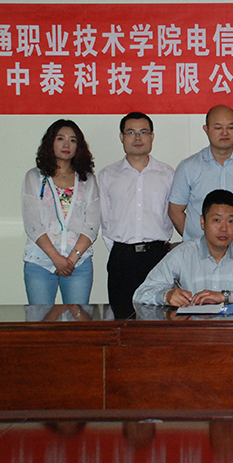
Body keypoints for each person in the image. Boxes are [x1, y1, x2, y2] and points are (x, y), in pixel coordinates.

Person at [134, 189, 233, 306]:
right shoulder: (183, 253)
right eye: (216, 220)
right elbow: (140, 294)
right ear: (203, 222)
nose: (224, 228)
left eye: (231, 221)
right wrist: (166, 296)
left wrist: (226, 297)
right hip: (194, 330)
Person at [98, 112, 175, 319]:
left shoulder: (167, 174)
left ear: (152, 136)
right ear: (121, 137)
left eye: (143, 132)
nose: (138, 138)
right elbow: (105, 219)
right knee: (123, 320)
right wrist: (121, 250)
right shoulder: (108, 175)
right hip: (122, 258)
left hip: (157, 256)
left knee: (159, 319)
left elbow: (170, 214)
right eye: (131, 132)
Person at [169, 105, 233, 245]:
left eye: (230, 127)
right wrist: (196, 242)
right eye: (218, 128)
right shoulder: (188, 167)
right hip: (199, 250)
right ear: (206, 129)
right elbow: (175, 211)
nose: (225, 133)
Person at [21, 119, 100, 305]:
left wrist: (71, 260)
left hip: (78, 264)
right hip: (40, 261)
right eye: (60, 138)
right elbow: (32, 223)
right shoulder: (35, 176)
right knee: (40, 320)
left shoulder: (87, 180)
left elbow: (92, 225)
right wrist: (56, 258)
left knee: (78, 320)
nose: (66, 145)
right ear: (51, 142)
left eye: (73, 140)